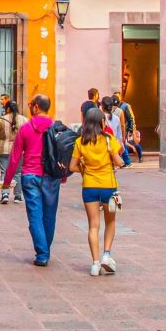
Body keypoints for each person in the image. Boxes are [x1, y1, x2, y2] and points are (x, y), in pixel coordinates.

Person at [5, 94, 62, 266]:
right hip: (51, 177)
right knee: (49, 215)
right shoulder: (56, 129)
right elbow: (63, 155)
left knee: (35, 216)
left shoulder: (26, 129)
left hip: (30, 175)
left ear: (36, 107)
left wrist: (7, 181)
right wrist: (63, 176)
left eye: (31, 104)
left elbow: (15, 158)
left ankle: (42, 253)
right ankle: (45, 250)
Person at [71, 107, 123, 276]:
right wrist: (115, 158)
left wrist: (84, 169)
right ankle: (106, 255)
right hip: (109, 187)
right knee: (110, 222)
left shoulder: (80, 142)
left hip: (89, 187)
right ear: (101, 122)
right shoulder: (108, 140)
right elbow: (119, 162)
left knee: (93, 225)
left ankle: (95, 264)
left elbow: (72, 166)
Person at [0, 101, 19, 204]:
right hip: (19, 149)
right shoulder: (24, 120)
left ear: (8, 109)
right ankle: (18, 196)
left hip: (3, 149)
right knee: (18, 172)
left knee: (4, 172)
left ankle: (5, 194)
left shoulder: (1, 120)